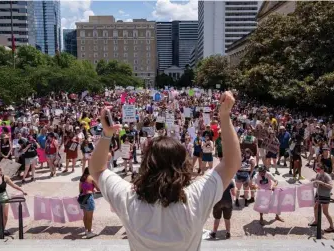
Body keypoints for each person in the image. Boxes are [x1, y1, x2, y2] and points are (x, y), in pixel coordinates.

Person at [89, 91, 241, 251]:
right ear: (184, 167)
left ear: (145, 165)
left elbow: (97, 170)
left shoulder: (128, 199)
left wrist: (107, 135)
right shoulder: (196, 198)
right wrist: (225, 115)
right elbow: (231, 162)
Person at [309, 163, 334, 233]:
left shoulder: (327, 176)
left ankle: (332, 227)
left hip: (325, 195)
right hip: (318, 194)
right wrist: (313, 181)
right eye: (315, 169)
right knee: (315, 207)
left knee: (325, 212)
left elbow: (330, 186)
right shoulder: (318, 175)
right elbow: (316, 185)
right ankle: (316, 221)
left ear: (323, 169)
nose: (316, 170)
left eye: (318, 169)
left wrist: (322, 183)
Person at [78, 167, 98, 238]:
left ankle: (86, 230)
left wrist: (90, 188)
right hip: (89, 198)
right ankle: (89, 233)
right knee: (89, 217)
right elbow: (98, 188)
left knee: (85, 216)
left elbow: (80, 190)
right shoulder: (91, 178)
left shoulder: (82, 178)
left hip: (82, 199)